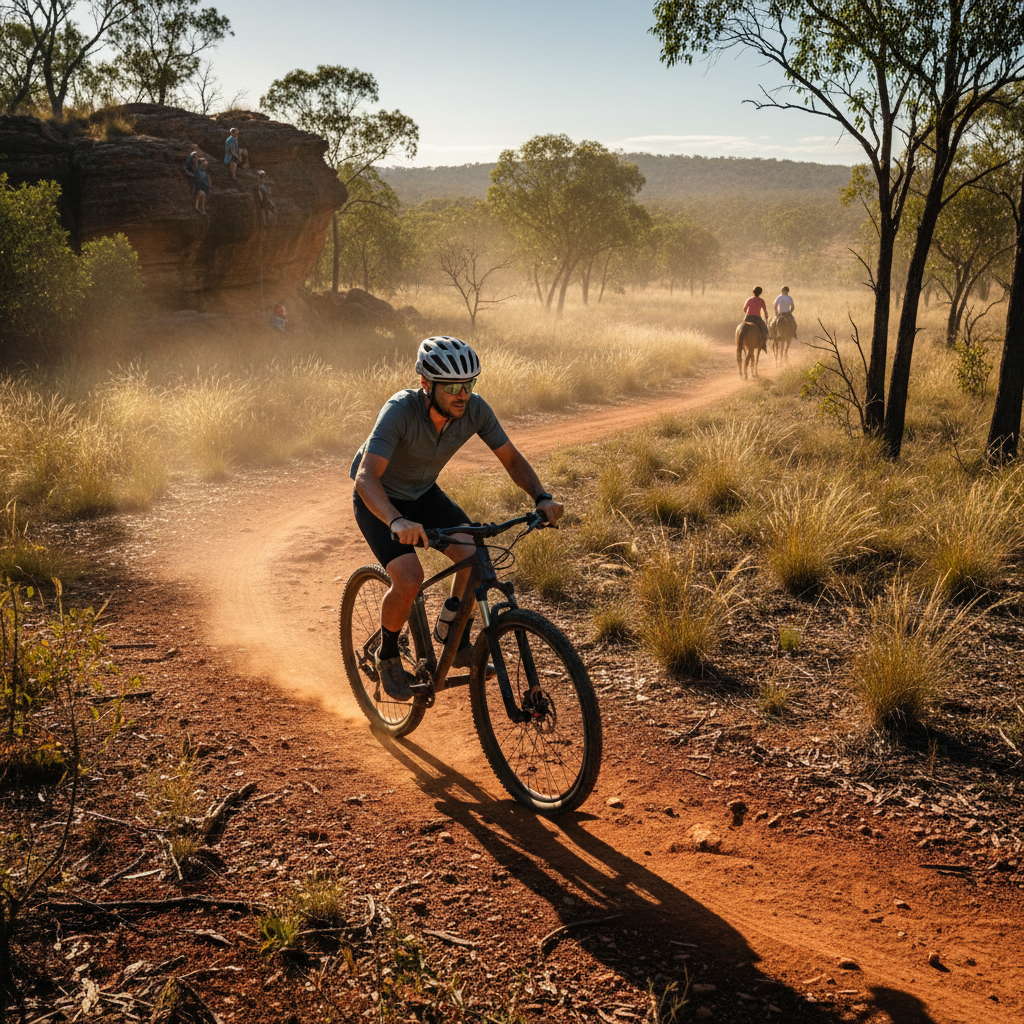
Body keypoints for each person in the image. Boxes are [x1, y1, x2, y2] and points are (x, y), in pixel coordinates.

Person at [351, 336, 562, 701]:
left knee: (474, 556)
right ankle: (387, 655)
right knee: (409, 577)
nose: (462, 394)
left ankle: (454, 638)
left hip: (423, 494)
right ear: (426, 385)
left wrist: (541, 496)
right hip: (380, 498)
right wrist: (396, 522)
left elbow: (511, 458)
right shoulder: (400, 411)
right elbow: (366, 477)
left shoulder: (475, 410)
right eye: (452, 387)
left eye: (468, 384)